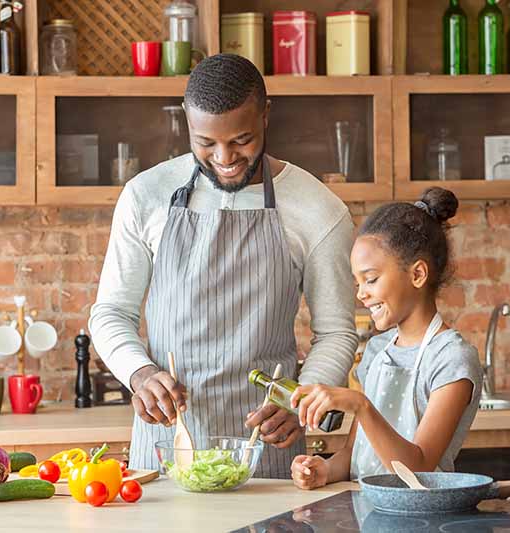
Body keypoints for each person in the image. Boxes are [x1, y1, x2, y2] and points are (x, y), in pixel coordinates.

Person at [88, 54, 358, 478]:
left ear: (266, 115)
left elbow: (337, 331)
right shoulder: (146, 195)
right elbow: (110, 313)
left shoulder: (318, 210)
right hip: (166, 448)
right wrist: (139, 374)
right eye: (205, 142)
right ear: (187, 123)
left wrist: (300, 398)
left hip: (268, 452)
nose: (224, 157)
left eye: (241, 140)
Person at [289, 187, 483, 488]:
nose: (361, 293)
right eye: (357, 282)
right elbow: (355, 455)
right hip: (368, 515)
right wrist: (324, 470)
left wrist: (361, 405)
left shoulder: (451, 359)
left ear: (417, 274)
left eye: (371, 279)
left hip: (421, 519)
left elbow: (417, 468)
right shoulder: (378, 350)